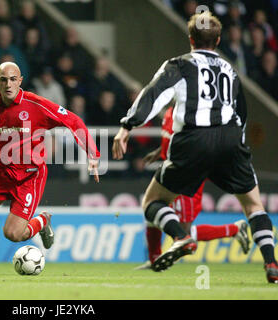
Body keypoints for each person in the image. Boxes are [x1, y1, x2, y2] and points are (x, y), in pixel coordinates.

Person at [112, 11, 278, 283]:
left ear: (190, 39)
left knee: (152, 202)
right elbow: (242, 113)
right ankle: (272, 263)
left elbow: (153, 94)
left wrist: (127, 126)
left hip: (193, 141)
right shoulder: (230, 71)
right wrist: (238, 147)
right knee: (254, 206)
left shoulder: (180, 65)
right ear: (219, 40)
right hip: (231, 140)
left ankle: (181, 237)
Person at [0, 62, 100, 275]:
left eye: (13, 79)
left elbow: (72, 120)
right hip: (1, 172)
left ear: (20, 81)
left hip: (29, 177)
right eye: (4, 79)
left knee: (13, 234)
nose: (8, 84)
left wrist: (92, 153)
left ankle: (42, 221)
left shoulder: (36, 104)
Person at [136, 106, 250, 270]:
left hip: (186, 175)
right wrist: (159, 151)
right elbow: (173, 138)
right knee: (152, 211)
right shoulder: (170, 112)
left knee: (183, 230)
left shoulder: (194, 115)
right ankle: (154, 258)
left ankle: (234, 229)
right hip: (170, 171)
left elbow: (194, 143)